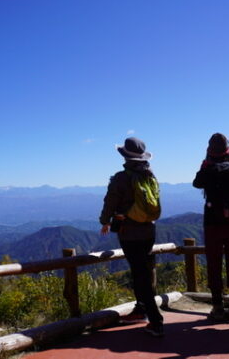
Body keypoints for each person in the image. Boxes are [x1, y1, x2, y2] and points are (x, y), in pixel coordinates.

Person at [99, 137, 164, 337]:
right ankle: (141, 310)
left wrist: (105, 221)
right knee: (142, 270)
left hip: (130, 233)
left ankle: (155, 320)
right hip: (149, 230)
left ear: (125, 156)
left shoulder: (121, 178)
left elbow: (110, 201)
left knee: (140, 276)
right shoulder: (150, 174)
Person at [192, 133, 229, 323]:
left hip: (213, 223)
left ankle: (217, 307)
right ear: (228, 149)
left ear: (210, 150)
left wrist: (209, 164)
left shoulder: (208, 167)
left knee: (214, 264)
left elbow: (197, 182)